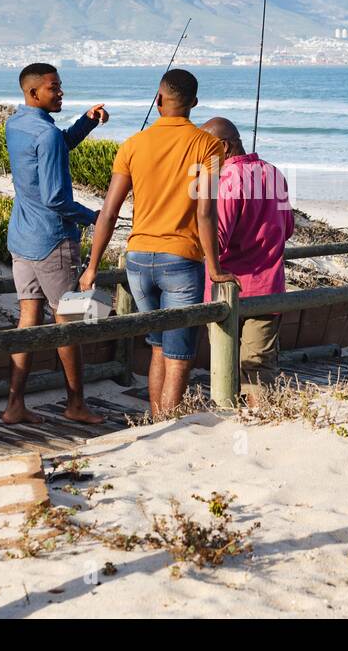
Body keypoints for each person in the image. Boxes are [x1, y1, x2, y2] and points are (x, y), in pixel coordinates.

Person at [79, 68, 237, 418]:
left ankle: (155, 420)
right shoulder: (208, 144)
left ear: (159, 100)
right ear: (194, 103)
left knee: (156, 347)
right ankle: (167, 428)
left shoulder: (132, 145)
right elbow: (206, 213)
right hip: (180, 260)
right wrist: (215, 268)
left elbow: (107, 212)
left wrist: (92, 267)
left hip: (137, 260)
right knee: (178, 354)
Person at [2, 62, 108, 426]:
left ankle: (14, 405)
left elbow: (55, 147)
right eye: (54, 88)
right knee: (70, 320)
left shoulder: (17, 124)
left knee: (28, 318)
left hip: (21, 237)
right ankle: (76, 404)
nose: (61, 92)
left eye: (61, 86)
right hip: (52, 239)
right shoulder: (44, 134)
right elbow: (56, 198)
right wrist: (94, 217)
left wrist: (86, 122)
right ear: (34, 93)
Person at [199, 117, 295, 405]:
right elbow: (287, 227)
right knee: (259, 368)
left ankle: (231, 423)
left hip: (227, 290)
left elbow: (217, 241)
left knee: (224, 365)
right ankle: (260, 423)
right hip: (269, 286)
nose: (201, 157)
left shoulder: (227, 180)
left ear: (224, 146)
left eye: (205, 149)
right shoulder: (274, 173)